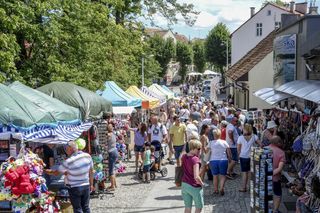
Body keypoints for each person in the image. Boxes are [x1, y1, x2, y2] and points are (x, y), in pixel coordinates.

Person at [46, 141, 93, 213]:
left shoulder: (68, 161)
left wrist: (48, 171)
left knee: (77, 209)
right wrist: (91, 184)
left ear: (70, 149)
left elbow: (56, 173)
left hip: (75, 187)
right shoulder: (87, 156)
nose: (66, 151)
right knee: (86, 207)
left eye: (66, 149)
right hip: (86, 185)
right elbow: (91, 171)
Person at [181, 139, 204, 213]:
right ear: (193, 148)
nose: (199, 150)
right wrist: (202, 184)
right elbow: (196, 176)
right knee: (199, 207)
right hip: (194, 186)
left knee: (187, 207)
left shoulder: (184, 156)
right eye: (198, 149)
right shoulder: (195, 160)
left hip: (184, 184)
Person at [237, 124, 262, 192]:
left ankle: (244, 187)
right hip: (252, 156)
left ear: (245, 129)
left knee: (244, 173)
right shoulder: (254, 137)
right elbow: (261, 145)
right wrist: (257, 150)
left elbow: (238, 149)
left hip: (243, 156)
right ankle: (252, 188)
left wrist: (238, 156)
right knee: (251, 172)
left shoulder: (240, 138)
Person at [208, 129, 231, 196]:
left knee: (215, 176)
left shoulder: (211, 142)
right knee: (223, 175)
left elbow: (207, 151)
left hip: (213, 160)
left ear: (213, 135)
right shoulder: (224, 142)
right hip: (223, 160)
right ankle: (221, 188)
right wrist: (229, 158)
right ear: (220, 134)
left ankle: (215, 190)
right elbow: (228, 152)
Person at [267, 136, 285, 213]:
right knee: (277, 193)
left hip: (264, 177)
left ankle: (267, 208)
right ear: (278, 143)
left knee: (266, 193)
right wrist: (271, 174)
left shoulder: (264, 149)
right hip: (275, 178)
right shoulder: (281, 152)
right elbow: (279, 168)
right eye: (280, 142)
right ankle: (275, 210)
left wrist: (266, 175)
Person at [106, 123, 119, 191]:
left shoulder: (108, 135)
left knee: (111, 170)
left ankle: (112, 186)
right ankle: (115, 184)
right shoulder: (114, 133)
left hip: (111, 152)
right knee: (113, 169)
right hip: (115, 151)